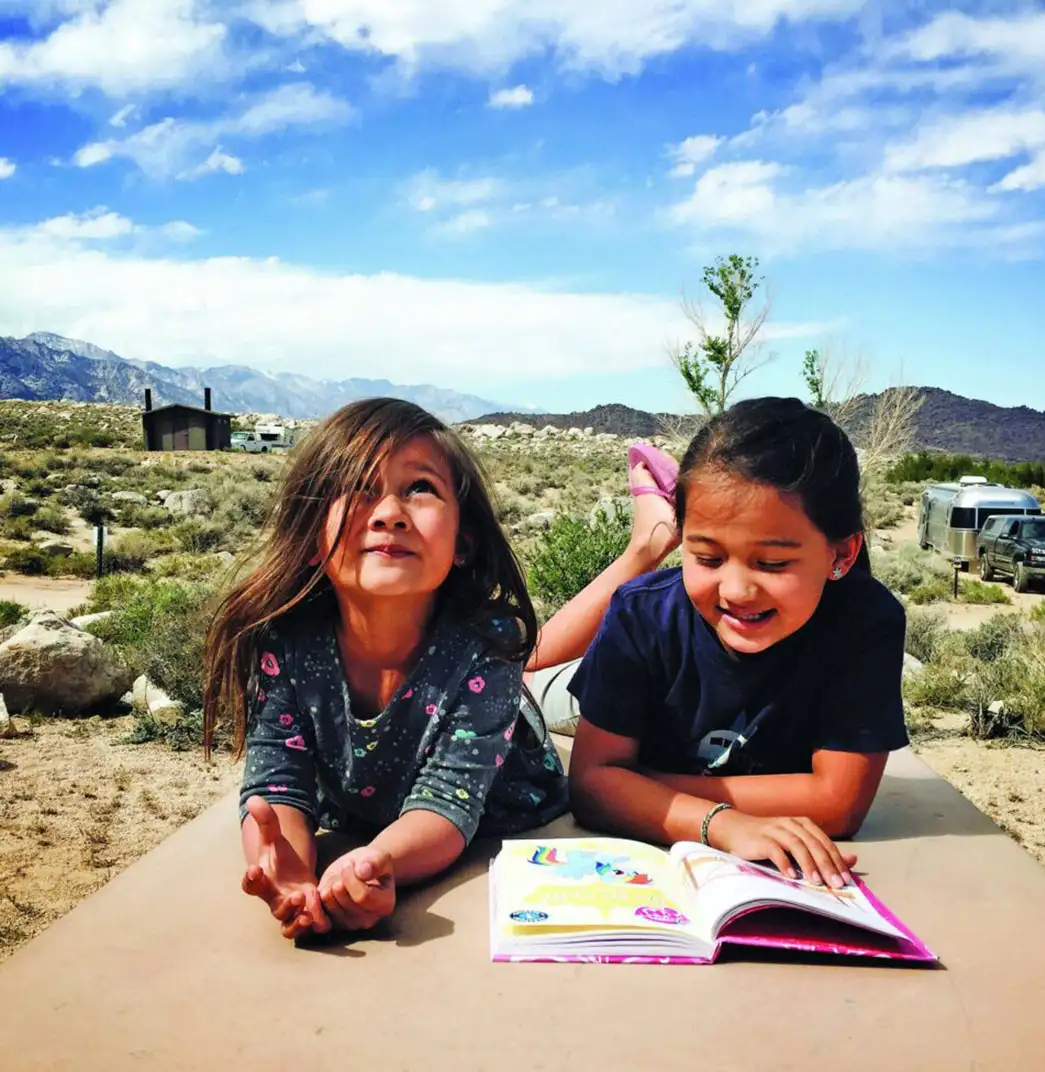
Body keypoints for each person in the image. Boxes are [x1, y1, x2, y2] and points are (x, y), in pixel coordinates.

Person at [202, 398, 680, 941]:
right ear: (311, 537)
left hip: (504, 772)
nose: (388, 512)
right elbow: (277, 785)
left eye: (420, 488)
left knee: (519, 661)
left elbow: (448, 803)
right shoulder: (285, 644)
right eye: (357, 486)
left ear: (463, 543)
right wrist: (289, 868)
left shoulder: (486, 648)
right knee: (525, 656)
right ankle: (648, 543)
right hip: (480, 678)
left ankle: (649, 545)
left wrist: (373, 863)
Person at [567, 398, 909, 891]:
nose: (736, 591)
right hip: (573, 692)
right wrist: (721, 824)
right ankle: (650, 534)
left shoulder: (866, 621)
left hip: (647, 745)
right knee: (525, 667)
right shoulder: (640, 614)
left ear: (842, 553)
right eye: (706, 557)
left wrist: (635, 783)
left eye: (771, 564)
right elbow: (590, 786)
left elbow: (840, 804)